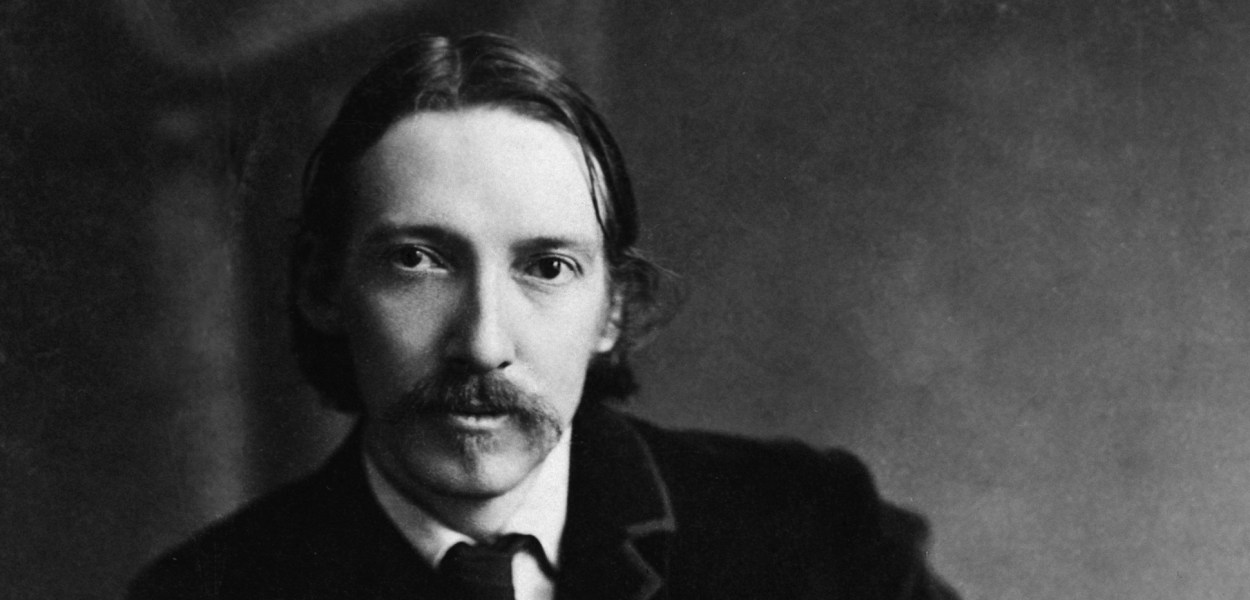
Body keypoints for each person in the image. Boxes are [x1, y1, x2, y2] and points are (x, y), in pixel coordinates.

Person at [130, 32, 959, 600]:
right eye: (418, 261)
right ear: (322, 287)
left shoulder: (818, 538)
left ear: (614, 309)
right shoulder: (205, 592)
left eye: (547, 268)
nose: (483, 343)